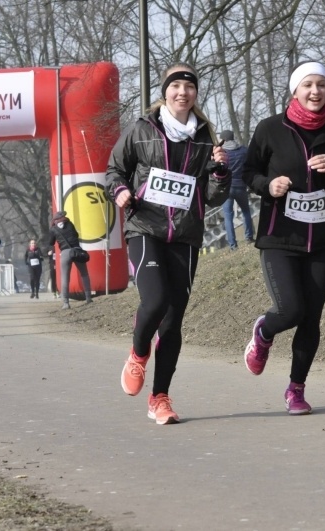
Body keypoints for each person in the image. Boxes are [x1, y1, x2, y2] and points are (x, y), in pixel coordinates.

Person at [105, 62, 231, 425]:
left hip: (185, 235)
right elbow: (114, 170)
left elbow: (213, 196)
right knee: (156, 300)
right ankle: (138, 354)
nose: (182, 92)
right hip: (145, 226)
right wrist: (120, 190)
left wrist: (221, 173)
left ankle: (159, 398)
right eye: (176, 86)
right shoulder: (142, 130)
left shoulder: (206, 138)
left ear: (195, 94)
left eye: (189, 87)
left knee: (173, 321)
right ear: (165, 92)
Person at [242, 61, 325, 415]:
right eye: (308, 84)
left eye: (321, 85)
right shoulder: (270, 129)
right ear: (295, 91)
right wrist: (269, 185)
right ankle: (264, 332)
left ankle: (296, 390)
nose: (315, 91)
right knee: (291, 310)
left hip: (320, 240)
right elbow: (247, 172)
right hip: (279, 237)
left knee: (311, 318)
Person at [218, 130, 254, 250]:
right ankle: (249, 237)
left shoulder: (221, 153)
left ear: (223, 140)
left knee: (228, 216)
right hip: (240, 186)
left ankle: (233, 245)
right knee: (246, 211)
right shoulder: (243, 150)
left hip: (226, 188)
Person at [48, 211, 92, 309]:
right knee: (84, 274)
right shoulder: (69, 223)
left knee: (65, 278)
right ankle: (88, 298)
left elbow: (51, 242)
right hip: (77, 251)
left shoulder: (53, 229)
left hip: (65, 253)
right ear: (63, 217)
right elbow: (76, 235)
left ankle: (66, 303)